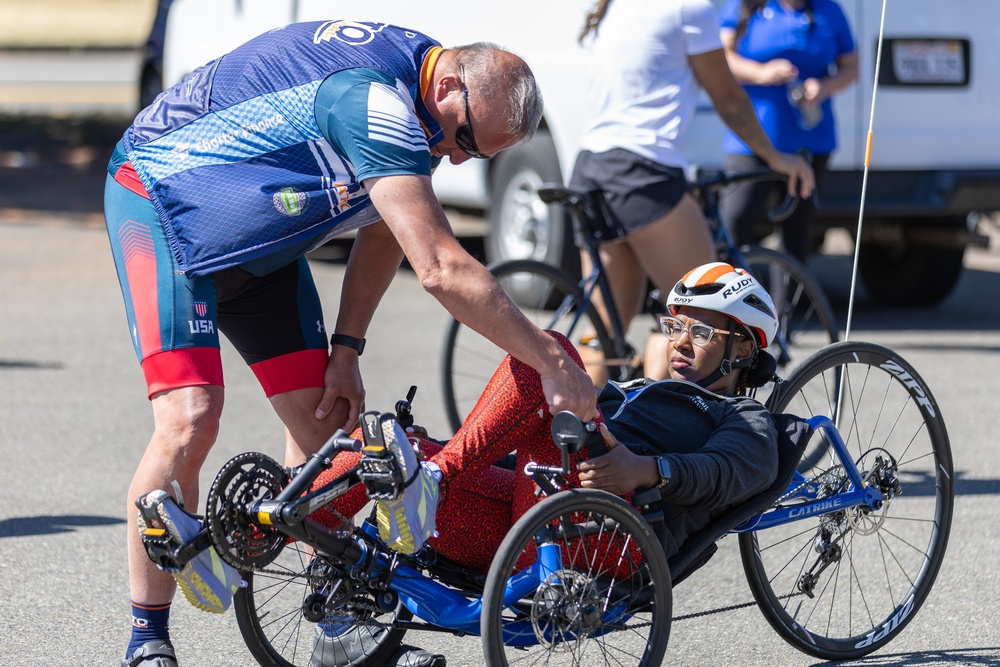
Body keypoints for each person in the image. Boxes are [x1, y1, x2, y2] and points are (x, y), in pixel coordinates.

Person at [105, 20, 598, 667]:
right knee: (190, 417)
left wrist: (347, 348)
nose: (456, 159)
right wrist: (551, 357)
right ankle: (148, 639)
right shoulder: (378, 103)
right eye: (466, 140)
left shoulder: (422, 92)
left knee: (326, 426)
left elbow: (383, 231)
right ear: (450, 84)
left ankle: (340, 632)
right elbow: (441, 267)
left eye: (475, 157)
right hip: (164, 206)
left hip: (257, 247)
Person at [284, 261, 799, 666]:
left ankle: (435, 481)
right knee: (400, 453)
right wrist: (446, 451)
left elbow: (731, 474)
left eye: (702, 333)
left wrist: (645, 470)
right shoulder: (637, 388)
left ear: (743, 349)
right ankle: (275, 524)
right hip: (530, 516)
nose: (680, 343)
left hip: (608, 535)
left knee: (549, 356)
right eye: (674, 326)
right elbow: (529, 446)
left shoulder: (743, 416)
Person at [568, 0, 815, 382]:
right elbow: (729, 99)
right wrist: (775, 157)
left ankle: (584, 438)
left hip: (591, 167)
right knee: (698, 319)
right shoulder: (689, 8)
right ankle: (659, 432)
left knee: (601, 336)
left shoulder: (618, 6)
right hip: (643, 171)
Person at [719, 0, 858, 262]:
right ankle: (719, 298)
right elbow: (720, 58)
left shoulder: (828, 10)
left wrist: (824, 87)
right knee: (734, 226)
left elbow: (851, 67)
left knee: (797, 236)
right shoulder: (745, 6)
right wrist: (760, 73)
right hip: (752, 141)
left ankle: (789, 303)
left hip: (809, 142)